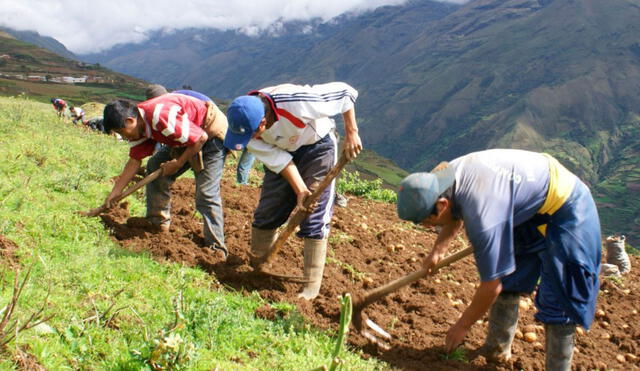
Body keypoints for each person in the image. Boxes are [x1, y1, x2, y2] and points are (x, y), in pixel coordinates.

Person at [396, 149, 601, 370]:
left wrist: (462, 326)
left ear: (441, 205)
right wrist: (438, 250)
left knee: (561, 299)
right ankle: (496, 351)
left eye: (425, 220)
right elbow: (454, 213)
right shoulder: (444, 177)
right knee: (511, 277)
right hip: (527, 204)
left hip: (568, 204)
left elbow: (491, 286)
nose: (426, 226)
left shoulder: (484, 215)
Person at [224, 82, 362, 300]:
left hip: (318, 148)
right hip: (283, 151)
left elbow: (346, 92)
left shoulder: (298, 101)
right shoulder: (243, 127)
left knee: (313, 215)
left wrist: (352, 132)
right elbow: (279, 160)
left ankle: (310, 288)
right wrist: (299, 190)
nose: (249, 140)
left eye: (252, 134)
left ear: (262, 123)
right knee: (267, 212)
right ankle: (261, 267)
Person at [101, 92, 229, 258]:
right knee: (154, 165)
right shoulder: (140, 125)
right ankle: (157, 222)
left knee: (206, 193)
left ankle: (216, 249)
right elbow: (134, 161)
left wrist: (178, 163)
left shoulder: (160, 117)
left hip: (211, 135)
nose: (124, 137)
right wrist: (116, 191)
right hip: (186, 135)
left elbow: (200, 138)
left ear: (130, 120)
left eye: (122, 132)